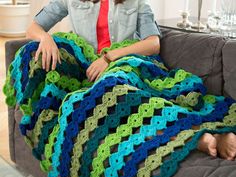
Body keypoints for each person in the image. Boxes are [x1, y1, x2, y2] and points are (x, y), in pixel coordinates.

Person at [26, 0, 236, 161]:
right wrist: (46, 38)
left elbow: (153, 43)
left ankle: (199, 136)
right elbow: (34, 27)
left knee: (112, 89)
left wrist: (109, 58)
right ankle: (195, 136)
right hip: (92, 73)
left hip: (129, 65)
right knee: (87, 104)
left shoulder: (135, 1)